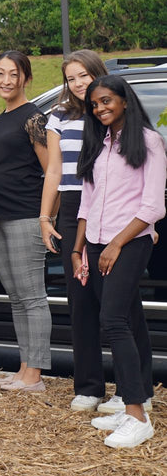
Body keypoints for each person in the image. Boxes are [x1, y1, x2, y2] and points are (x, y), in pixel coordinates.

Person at [73, 75, 166, 449]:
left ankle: (137, 417)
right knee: (130, 318)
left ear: (125, 100)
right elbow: (86, 202)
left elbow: (153, 206)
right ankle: (139, 398)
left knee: (112, 320)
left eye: (107, 101)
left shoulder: (148, 141)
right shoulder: (100, 143)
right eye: (94, 104)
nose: (100, 109)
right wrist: (79, 250)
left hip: (130, 242)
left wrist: (115, 244)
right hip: (95, 242)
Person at [0, 50, 49, 391]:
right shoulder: (2, 118)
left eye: (12, 74)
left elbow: (52, 171)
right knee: (16, 297)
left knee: (31, 296)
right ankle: (23, 368)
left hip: (24, 216)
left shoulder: (34, 118)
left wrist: (47, 217)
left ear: (25, 79)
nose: (5, 80)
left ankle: (35, 375)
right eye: (0, 73)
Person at [38, 49, 112, 411]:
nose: (79, 83)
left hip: (109, 208)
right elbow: (53, 170)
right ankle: (89, 387)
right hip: (70, 208)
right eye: (71, 78)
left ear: (97, 73)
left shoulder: (110, 111)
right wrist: (44, 218)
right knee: (80, 301)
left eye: (84, 75)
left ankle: (134, 388)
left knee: (115, 303)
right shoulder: (59, 117)